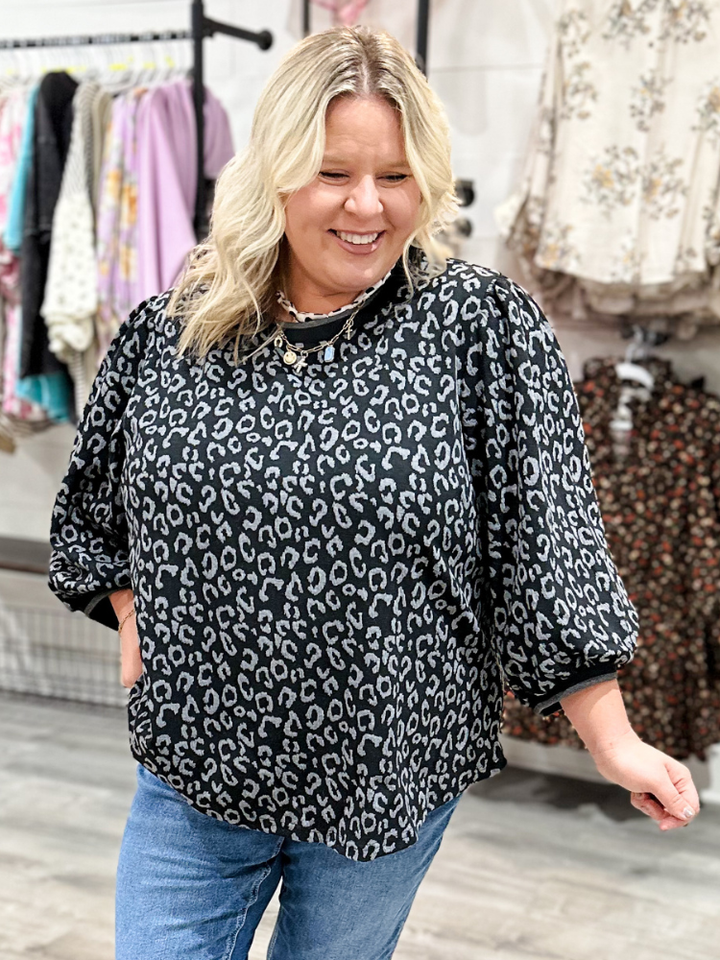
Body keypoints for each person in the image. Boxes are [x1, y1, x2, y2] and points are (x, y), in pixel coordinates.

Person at [48, 24, 700, 960]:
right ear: (273, 173)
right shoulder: (174, 332)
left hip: (386, 765)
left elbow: (547, 542)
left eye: (395, 176)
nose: (367, 206)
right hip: (198, 763)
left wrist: (613, 740)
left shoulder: (478, 326)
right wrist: (134, 611)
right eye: (333, 173)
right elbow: (96, 506)